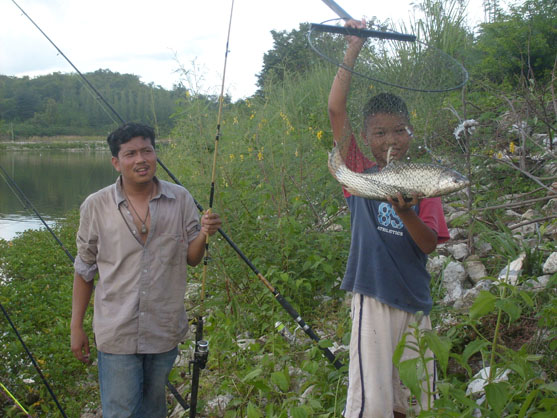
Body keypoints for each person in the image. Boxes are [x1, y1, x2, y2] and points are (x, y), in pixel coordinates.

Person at [328, 19, 449, 418]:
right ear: (366, 137)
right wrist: (353, 47)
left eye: (399, 131)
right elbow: (336, 108)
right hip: (372, 295)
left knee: (414, 398)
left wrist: (407, 212)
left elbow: (429, 244)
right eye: (380, 133)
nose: (391, 141)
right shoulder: (360, 173)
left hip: (416, 302)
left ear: (411, 133)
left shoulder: (424, 183)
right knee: (373, 400)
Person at [70, 122, 222, 417]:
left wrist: (204, 234)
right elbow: (84, 268)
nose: (140, 159)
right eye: (130, 154)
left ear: (155, 154)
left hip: (163, 329)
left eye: (147, 151)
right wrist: (76, 327)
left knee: (154, 409)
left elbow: (192, 258)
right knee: (121, 411)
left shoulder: (180, 199)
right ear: (116, 162)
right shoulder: (96, 206)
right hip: (116, 331)